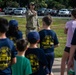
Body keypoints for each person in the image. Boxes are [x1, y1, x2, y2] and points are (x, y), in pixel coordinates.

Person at [61, 9, 76, 75]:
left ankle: (62, 73)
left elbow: (65, 32)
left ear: (72, 15)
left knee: (64, 61)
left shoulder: (69, 23)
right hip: (75, 46)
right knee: (72, 62)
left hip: (69, 45)